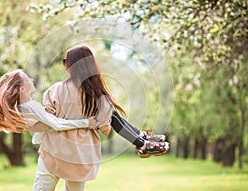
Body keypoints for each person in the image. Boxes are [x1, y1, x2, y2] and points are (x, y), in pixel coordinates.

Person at [34, 45, 169, 191]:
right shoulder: (98, 96)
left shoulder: (55, 90)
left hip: (53, 151)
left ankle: (142, 141)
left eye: (65, 61)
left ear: (69, 66)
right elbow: (105, 130)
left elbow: (47, 120)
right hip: (79, 156)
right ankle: (141, 141)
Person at [0, 69, 96, 137]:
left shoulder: (26, 107)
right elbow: (57, 125)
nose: (31, 80)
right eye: (28, 79)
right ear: (22, 89)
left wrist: (47, 115)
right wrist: (86, 122)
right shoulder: (29, 107)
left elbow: (40, 129)